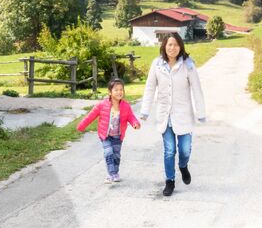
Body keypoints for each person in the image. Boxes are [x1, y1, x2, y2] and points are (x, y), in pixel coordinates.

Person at [140, 33, 206, 196]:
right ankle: (170, 181)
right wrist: (145, 110)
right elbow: (150, 88)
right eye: (169, 44)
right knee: (169, 150)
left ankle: (183, 166)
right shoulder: (157, 64)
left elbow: (197, 89)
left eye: (176, 45)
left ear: (180, 47)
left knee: (184, 150)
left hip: (183, 114)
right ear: (164, 46)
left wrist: (201, 112)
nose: (172, 48)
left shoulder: (188, 65)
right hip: (164, 114)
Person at [77, 78, 141, 183]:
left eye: (121, 89)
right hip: (105, 135)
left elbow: (131, 117)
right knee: (108, 153)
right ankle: (110, 174)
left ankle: (115, 173)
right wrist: (81, 126)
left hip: (118, 136)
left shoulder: (125, 106)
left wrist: (135, 124)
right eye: (116, 90)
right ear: (110, 92)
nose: (119, 92)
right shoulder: (102, 105)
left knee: (116, 155)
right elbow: (90, 116)